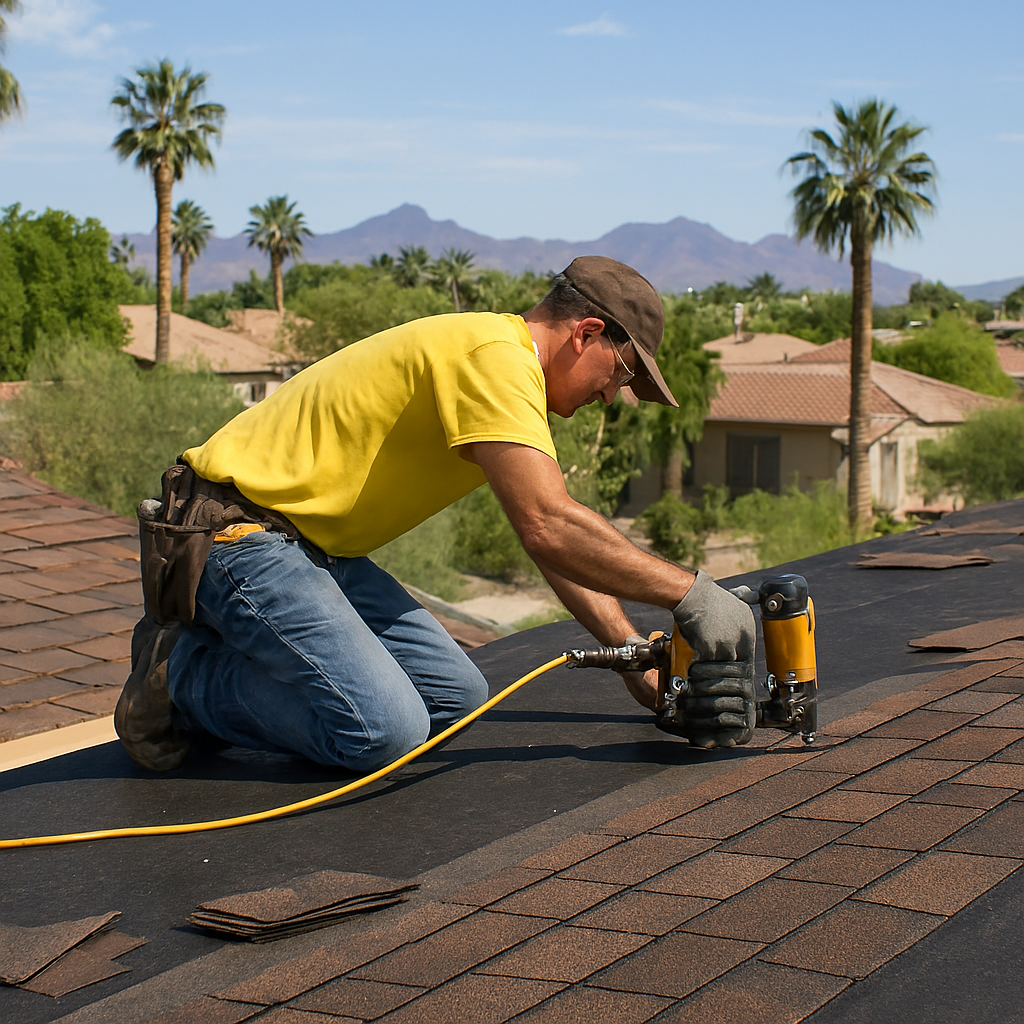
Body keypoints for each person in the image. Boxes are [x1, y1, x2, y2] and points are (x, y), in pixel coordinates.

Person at [115, 256, 755, 773]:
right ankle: (182, 677)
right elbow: (550, 524)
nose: (613, 396)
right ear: (586, 333)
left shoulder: (504, 374)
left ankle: (229, 653)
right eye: (622, 373)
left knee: (456, 701)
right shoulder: (493, 359)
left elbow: (548, 537)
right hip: (233, 535)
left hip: (310, 548)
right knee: (381, 732)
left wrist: (630, 654)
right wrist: (693, 595)